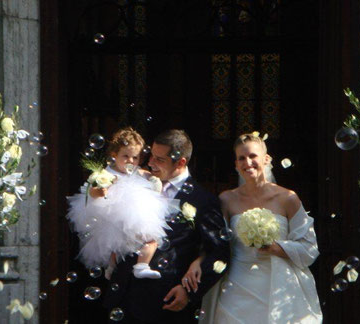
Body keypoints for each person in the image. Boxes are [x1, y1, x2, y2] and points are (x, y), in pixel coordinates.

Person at [185, 133, 322, 323]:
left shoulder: (288, 198)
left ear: (266, 159)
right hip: (236, 284)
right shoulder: (226, 199)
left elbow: (309, 247)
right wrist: (198, 261)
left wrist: (275, 247)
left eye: (252, 156)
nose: (247, 162)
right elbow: (216, 243)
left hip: (278, 285)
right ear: (236, 164)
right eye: (241, 158)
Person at [103, 129, 231, 324]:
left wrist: (188, 292)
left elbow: (219, 252)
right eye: (151, 156)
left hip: (164, 303)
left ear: (181, 162)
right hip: (122, 294)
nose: (150, 163)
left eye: (159, 159)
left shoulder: (202, 200)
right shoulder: (137, 183)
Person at [67, 127, 175, 280]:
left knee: (152, 238)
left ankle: (142, 265)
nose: (131, 161)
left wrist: (154, 181)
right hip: (111, 214)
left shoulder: (138, 171)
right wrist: (99, 192)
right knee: (112, 242)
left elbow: (150, 176)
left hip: (136, 216)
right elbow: (92, 190)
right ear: (114, 155)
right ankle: (111, 266)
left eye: (135, 157)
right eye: (126, 156)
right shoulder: (107, 174)